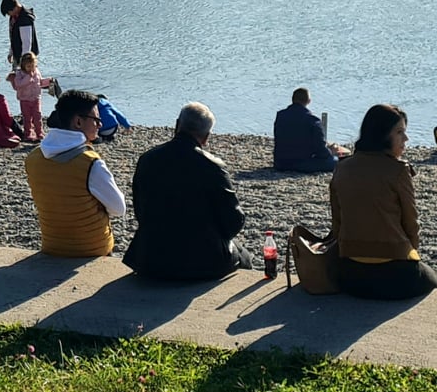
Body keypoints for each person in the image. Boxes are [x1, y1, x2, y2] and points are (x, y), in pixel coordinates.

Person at [123, 102, 256, 280]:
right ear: (206, 137)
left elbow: (140, 210)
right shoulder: (213, 166)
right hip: (202, 263)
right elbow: (234, 221)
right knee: (243, 254)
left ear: (177, 125)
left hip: (151, 258)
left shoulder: (147, 159)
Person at [329, 104, 437, 300]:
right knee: (433, 279)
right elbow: (411, 223)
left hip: (350, 274)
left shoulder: (342, 167)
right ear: (382, 135)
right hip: (394, 272)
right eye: (399, 132)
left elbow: (337, 221)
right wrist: (413, 255)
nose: (406, 139)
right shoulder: (398, 170)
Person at [24, 89, 127, 257]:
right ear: (78, 122)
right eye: (96, 119)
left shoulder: (33, 158)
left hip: (51, 245)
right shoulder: (90, 163)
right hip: (91, 248)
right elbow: (119, 209)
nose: (100, 125)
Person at [273, 88, 348, 172]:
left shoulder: (280, 116)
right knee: (335, 161)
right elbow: (321, 150)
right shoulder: (313, 121)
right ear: (309, 101)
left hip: (280, 163)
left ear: (292, 99)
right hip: (301, 163)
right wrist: (331, 152)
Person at [8, 51, 56, 141]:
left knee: (37, 116)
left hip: (36, 98)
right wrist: (28, 77)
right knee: (27, 118)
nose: (31, 69)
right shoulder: (20, 74)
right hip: (24, 99)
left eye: (32, 66)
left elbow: (40, 82)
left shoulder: (36, 72)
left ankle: (39, 132)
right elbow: (18, 84)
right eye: (28, 67)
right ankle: (28, 134)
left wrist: (48, 81)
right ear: (23, 65)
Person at [1, 0, 39, 67]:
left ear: (14, 8)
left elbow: (27, 43)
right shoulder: (14, 17)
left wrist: (23, 64)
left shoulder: (25, 19)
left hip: (26, 61)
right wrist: (11, 52)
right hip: (18, 56)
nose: (9, 15)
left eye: (8, 13)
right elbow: (14, 37)